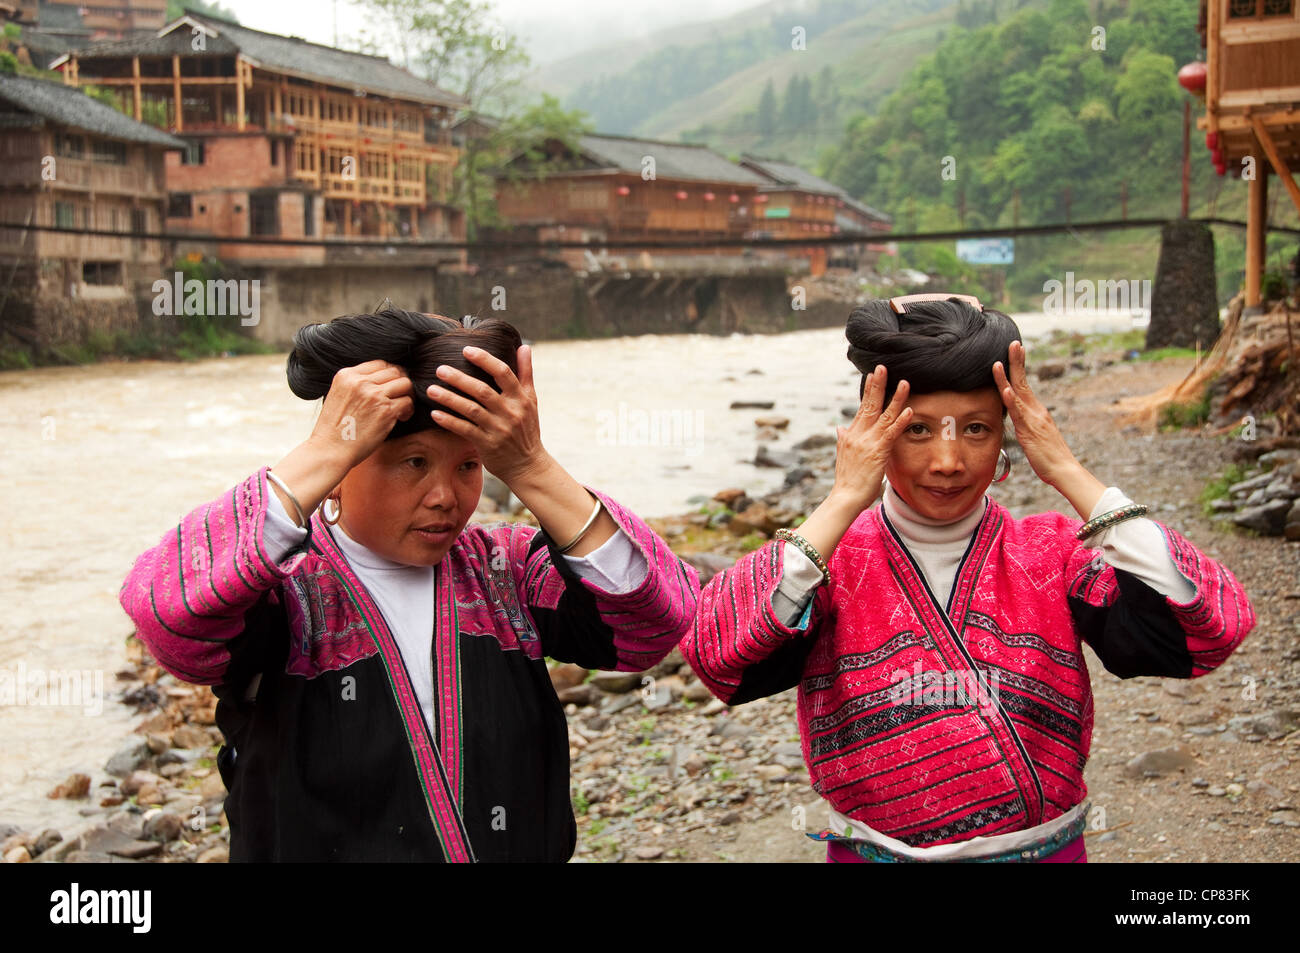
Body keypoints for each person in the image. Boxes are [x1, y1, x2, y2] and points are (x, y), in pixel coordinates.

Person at [680, 294, 1255, 863]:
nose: (949, 461)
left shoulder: (1051, 553)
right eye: (917, 431)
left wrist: (1069, 472)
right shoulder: (832, 564)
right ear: (871, 436)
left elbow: (1215, 626)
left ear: (1012, 433)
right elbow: (714, 650)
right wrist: (844, 496)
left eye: (977, 429)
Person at [119, 306, 699, 862]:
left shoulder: (507, 573)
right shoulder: (283, 590)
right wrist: (324, 447)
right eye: (413, 462)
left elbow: (654, 622)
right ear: (341, 472)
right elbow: (169, 615)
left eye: (468, 465)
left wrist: (530, 466)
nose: (446, 497)